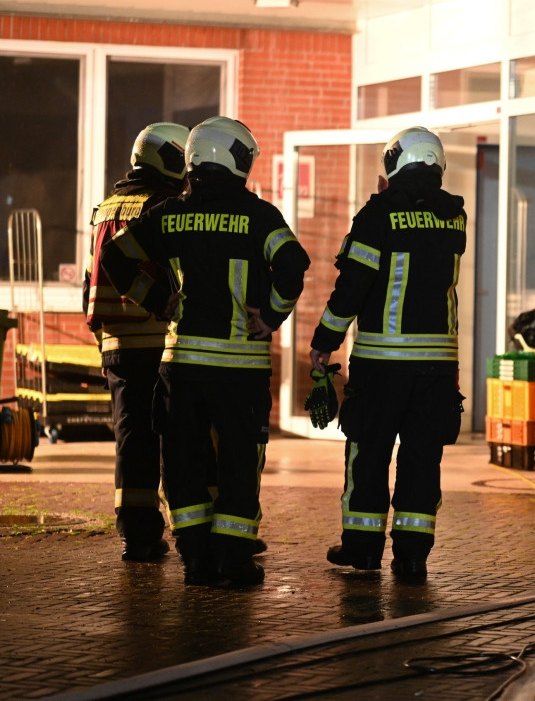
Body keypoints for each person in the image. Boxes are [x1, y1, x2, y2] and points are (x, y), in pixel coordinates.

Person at [101, 116, 310, 587]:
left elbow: (115, 256)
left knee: (182, 463)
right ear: (234, 159)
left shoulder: (170, 214)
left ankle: (194, 558)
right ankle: (234, 560)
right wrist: (271, 315)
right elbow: (294, 263)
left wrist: (157, 300)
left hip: (182, 368)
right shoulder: (260, 216)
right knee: (238, 462)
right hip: (242, 370)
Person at [310, 126, 467, 581]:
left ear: (394, 163)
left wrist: (325, 340)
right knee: (422, 459)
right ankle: (413, 556)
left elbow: (353, 285)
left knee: (368, 454)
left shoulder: (378, 212)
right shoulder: (454, 215)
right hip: (437, 368)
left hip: (380, 366)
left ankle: (361, 549)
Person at [83, 122, 189, 562]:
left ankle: (137, 532)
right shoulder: (162, 205)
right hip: (160, 338)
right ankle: (190, 530)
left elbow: (94, 277)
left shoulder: (104, 208)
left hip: (115, 342)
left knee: (131, 436)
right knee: (176, 437)